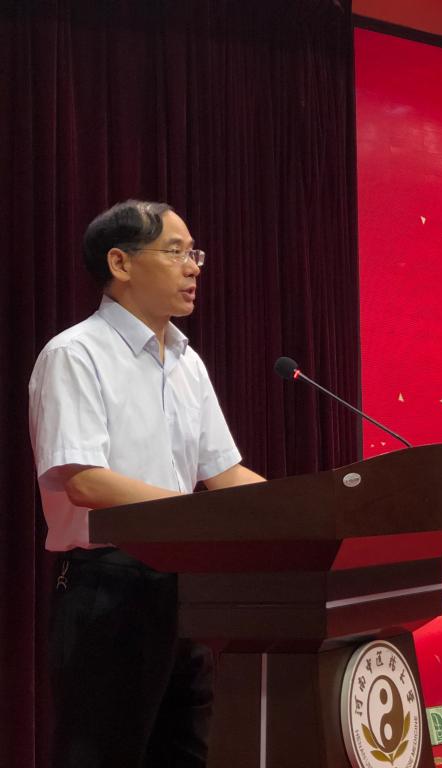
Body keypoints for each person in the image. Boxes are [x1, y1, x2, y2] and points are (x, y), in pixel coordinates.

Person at [28, 200, 265, 767]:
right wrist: (195, 516)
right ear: (121, 263)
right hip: (109, 587)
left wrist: (305, 511)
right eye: (175, 251)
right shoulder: (75, 354)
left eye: (194, 253)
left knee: (188, 753)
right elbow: (85, 480)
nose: (193, 267)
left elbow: (224, 473)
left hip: (185, 585)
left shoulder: (187, 361)